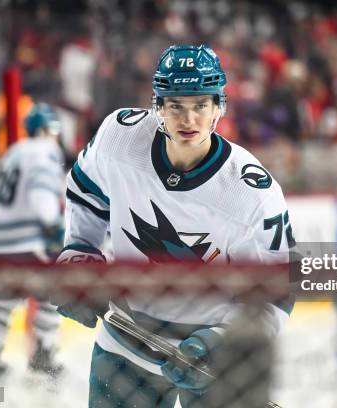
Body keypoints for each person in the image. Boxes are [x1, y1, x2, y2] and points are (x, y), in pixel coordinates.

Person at [55, 45, 295, 407]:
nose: (189, 120)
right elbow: (86, 195)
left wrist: (222, 342)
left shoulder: (251, 194)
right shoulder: (118, 138)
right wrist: (80, 254)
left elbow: (277, 291)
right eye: (176, 106)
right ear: (158, 106)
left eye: (200, 105)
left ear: (219, 108)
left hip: (215, 362)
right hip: (126, 343)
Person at [0, 103, 66, 376]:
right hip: (26, 238)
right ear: (44, 129)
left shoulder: (14, 150)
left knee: (4, 296)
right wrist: (53, 229)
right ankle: (44, 353)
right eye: (54, 128)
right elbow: (41, 195)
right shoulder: (46, 151)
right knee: (51, 293)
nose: (57, 135)